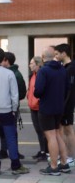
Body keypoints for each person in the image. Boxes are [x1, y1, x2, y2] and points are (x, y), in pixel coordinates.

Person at [0, 48, 29, 175]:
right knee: (11, 138)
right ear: (3, 59)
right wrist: (14, 109)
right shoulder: (9, 74)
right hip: (7, 111)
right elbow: (14, 94)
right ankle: (15, 165)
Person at [34, 46, 70, 175]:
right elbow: (67, 89)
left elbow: (38, 91)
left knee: (51, 137)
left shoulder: (43, 71)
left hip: (47, 107)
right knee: (58, 134)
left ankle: (54, 166)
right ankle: (64, 163)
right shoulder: (62, 69)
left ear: (43, 58)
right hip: (59, 107)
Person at [0, 52, 26, 159]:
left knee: (11, 130)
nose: (1, 63)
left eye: (2, 60)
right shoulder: (13, 73)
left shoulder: (14, 74)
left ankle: (13, 151)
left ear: (6, 61)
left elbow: (21, 92)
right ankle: (5, 150)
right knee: (4, 130)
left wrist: (14, 104)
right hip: (7, 106)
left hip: (11, 107)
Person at [54, 43, 75, 166]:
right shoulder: (66, 67)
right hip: (65, 102)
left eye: (57, 54)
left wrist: (64, 103)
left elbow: (69, 89)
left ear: (64, 53)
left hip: (68, 103)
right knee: (63, 129)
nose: (55, 56)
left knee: (68, 129)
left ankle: (71, 156)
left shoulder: (71, 68)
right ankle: (65, 155)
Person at [27, 56, 48, 161]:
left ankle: (46, 152)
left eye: (32, 63)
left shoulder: (42, 74)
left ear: (38, 64)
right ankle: (42, 150)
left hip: (40, 107)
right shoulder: (33, 75)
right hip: (33, 107)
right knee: (38, 131)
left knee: (43, 131)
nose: (30, 65)